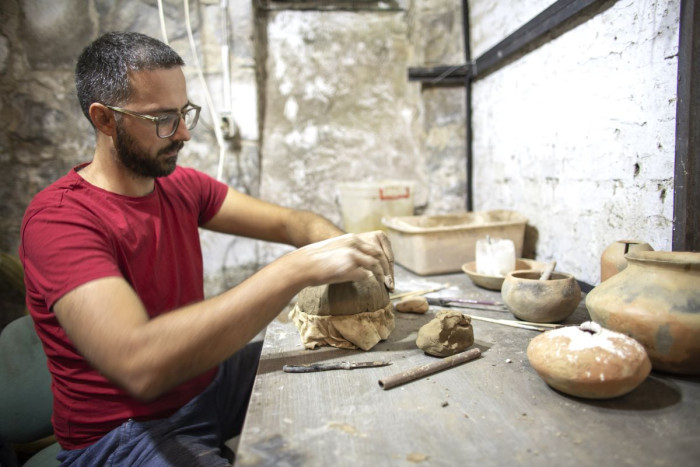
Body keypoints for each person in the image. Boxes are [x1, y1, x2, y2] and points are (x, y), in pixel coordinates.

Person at [19, 31, 394, 466]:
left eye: (184, 113)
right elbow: (139, 365)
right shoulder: (60, 220)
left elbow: (296, 223)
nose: (183, 134)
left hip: (206, 384)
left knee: (340, 353)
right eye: (162, 118)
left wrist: (346, 250)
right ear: (105, 120)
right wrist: (295, 269)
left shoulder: (181, 186)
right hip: (123, 434)